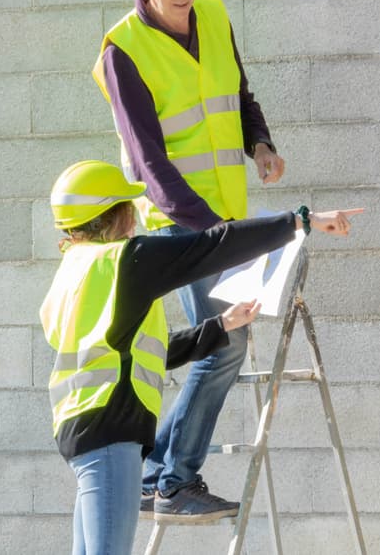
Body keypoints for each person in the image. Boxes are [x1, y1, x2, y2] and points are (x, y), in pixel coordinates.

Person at [40, 160, 360, 555]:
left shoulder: (74, 271)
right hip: (110, 434)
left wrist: (219, 327)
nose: (135, 219)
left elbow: (144, 349)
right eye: (130, 208)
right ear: (115, 213)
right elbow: (213, 246)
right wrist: (299, 221)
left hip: (85, 431)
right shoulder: (126, 261)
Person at [90, 0, 289, 520]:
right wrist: (213, 234)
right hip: (181, 222)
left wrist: (260, 143)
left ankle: (161, 477)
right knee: (224, 344)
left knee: (227, 341)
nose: (185, 4)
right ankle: (170, 480)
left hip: (226, 218)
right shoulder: (122, 51)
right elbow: (149, 163)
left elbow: (239, 94)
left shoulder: (215, 14)